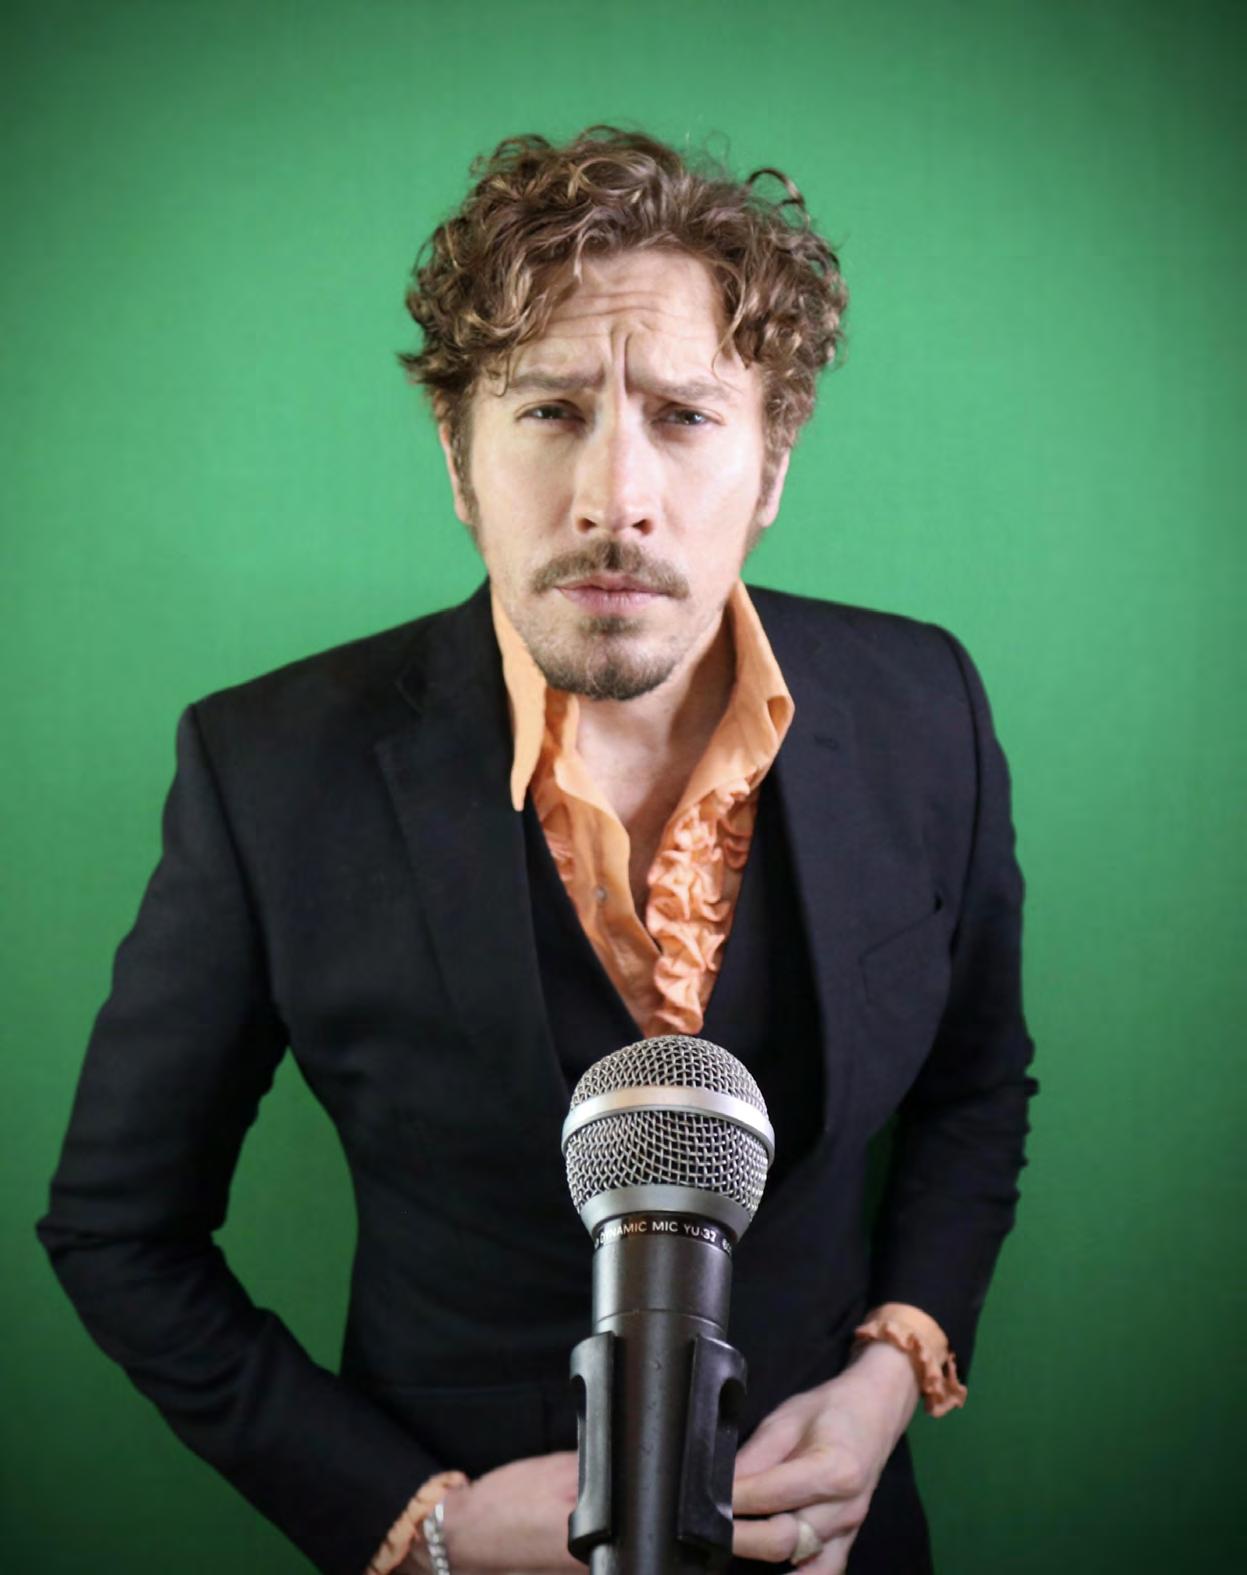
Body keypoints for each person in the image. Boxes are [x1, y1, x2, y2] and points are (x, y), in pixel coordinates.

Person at [37, 125, 1039, 1575]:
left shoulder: (923, 706)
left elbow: (974, 1090)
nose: (612, 497)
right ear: (459, 457)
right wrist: (424, 1522)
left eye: (684, 415)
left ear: (771, 463)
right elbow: (118, 1231)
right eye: (552, 409)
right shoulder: (266, 772)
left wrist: (894, 1368)